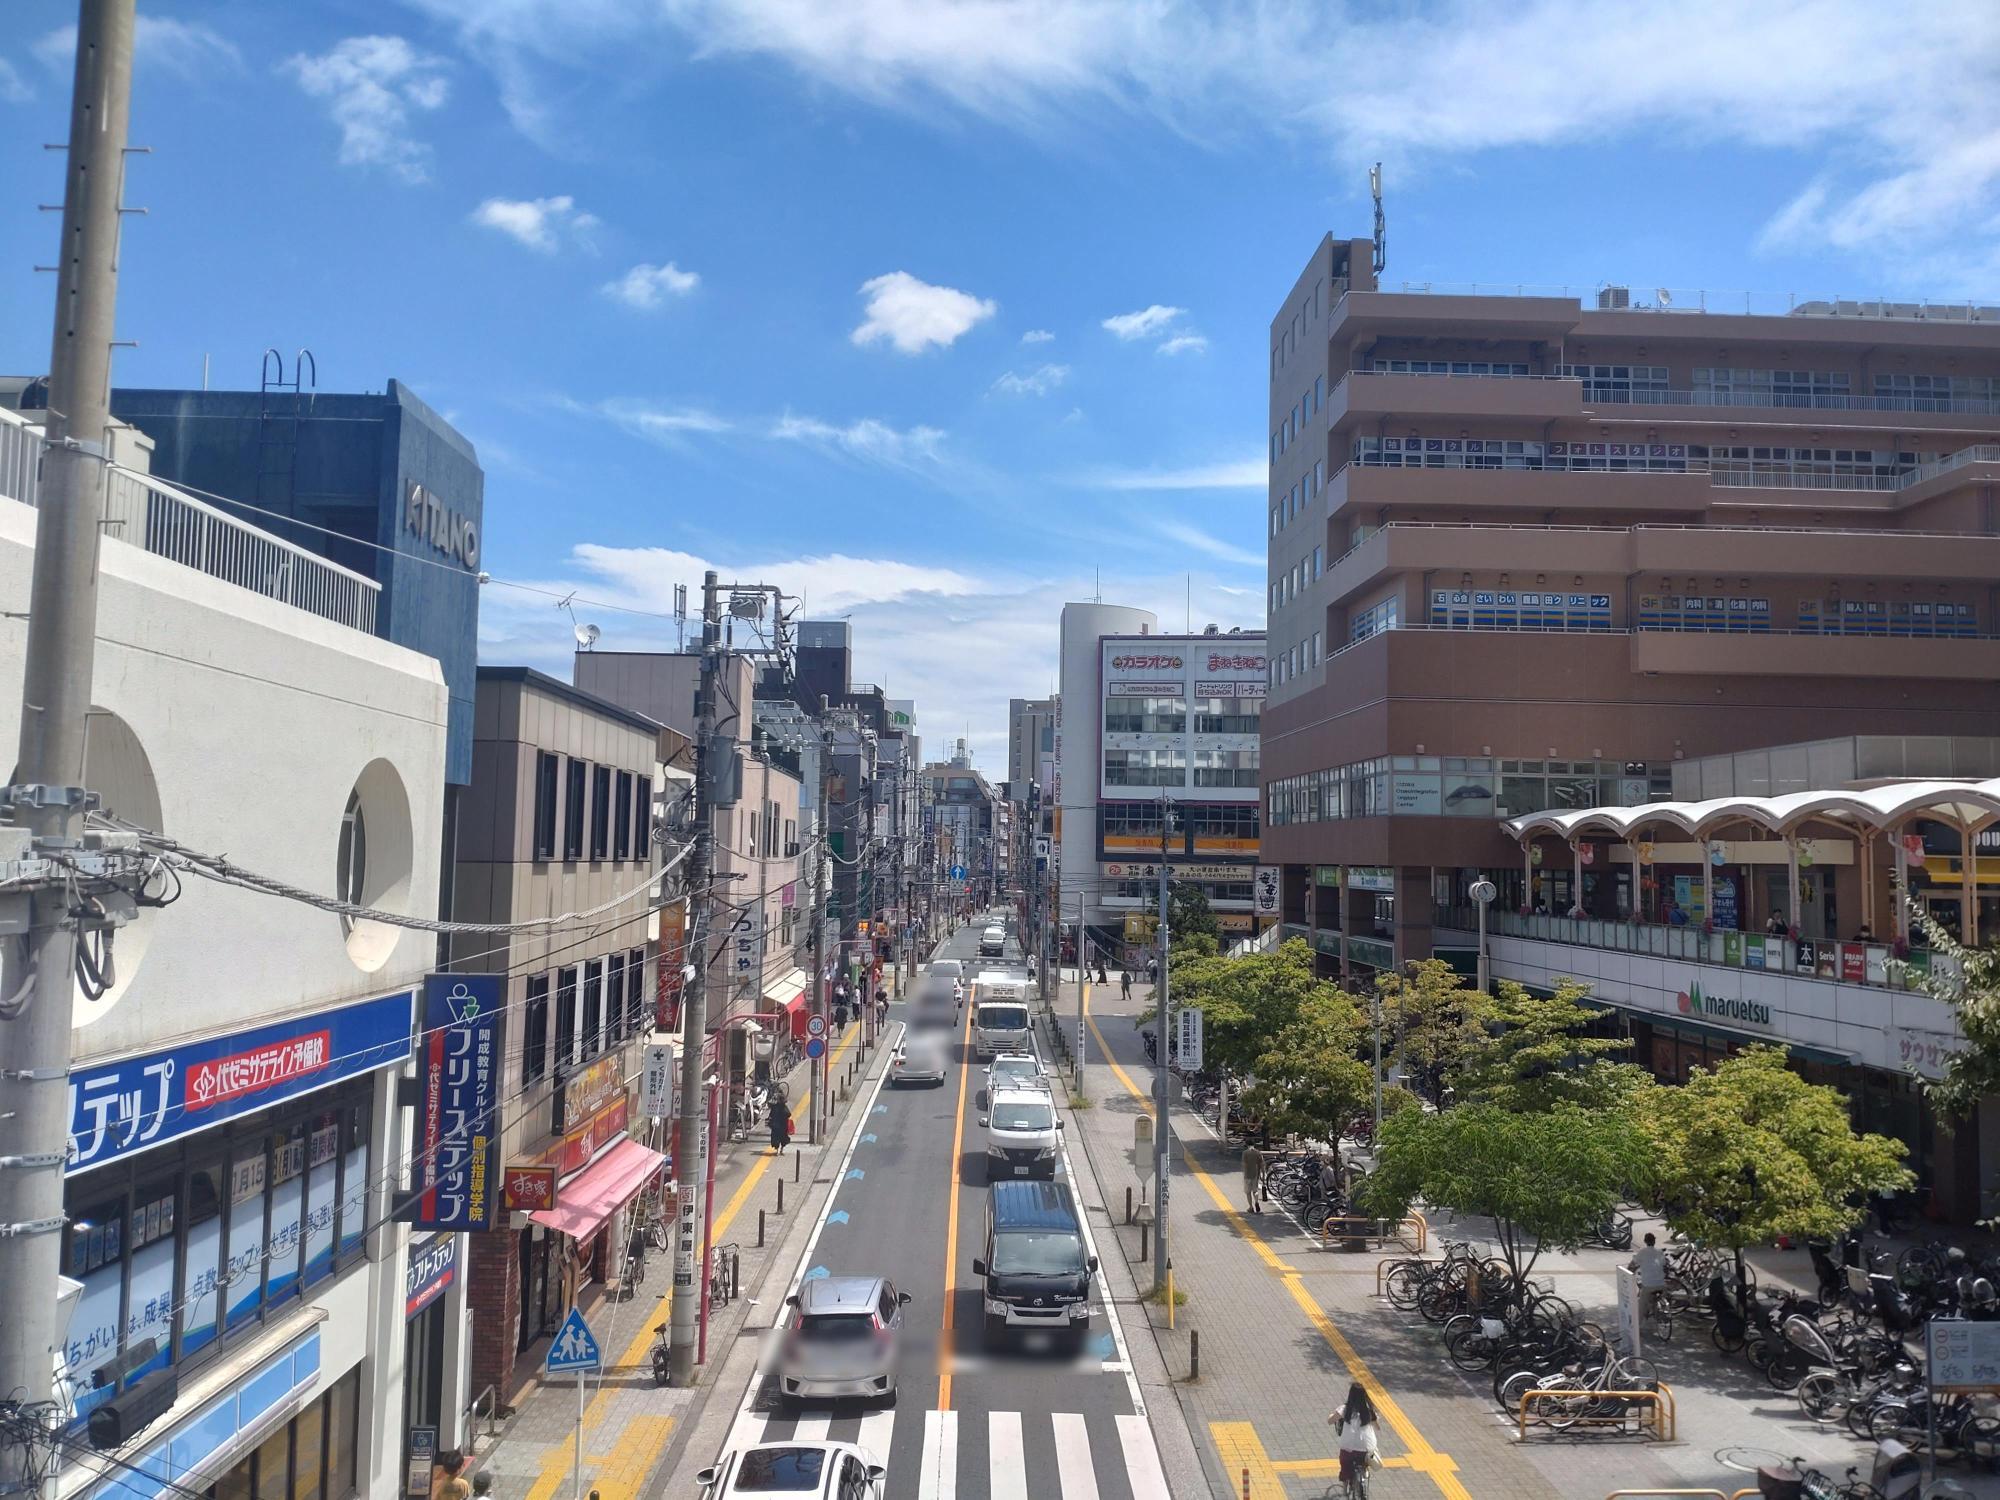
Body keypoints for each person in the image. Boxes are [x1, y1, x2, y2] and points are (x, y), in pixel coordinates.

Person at [1327, 1384, 1380, 1497]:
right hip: (1366, 1447)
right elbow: (1378, 1428)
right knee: (1364, 1459)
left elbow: (1330, 1421)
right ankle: (1363, 1474)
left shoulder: (1345, 1409)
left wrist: (1331, 1415)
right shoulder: (1369, 1410)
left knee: (1345, 1464)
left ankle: (1344, 1490)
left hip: (1348, 1447)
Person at [1242, 1142, 1265, 1213]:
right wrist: (1263, 1175)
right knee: (1255, 1191)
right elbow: (1262, 1164)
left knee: (1248, 1192)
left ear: (1247, 1145)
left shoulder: (1245, 1153)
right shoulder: (1258, 1153)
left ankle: (1251, 1207)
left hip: (1247, 1175)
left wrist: (1244, 1174)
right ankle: (1256, 1202)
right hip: (1255, 1174)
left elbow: (1244, 1164)